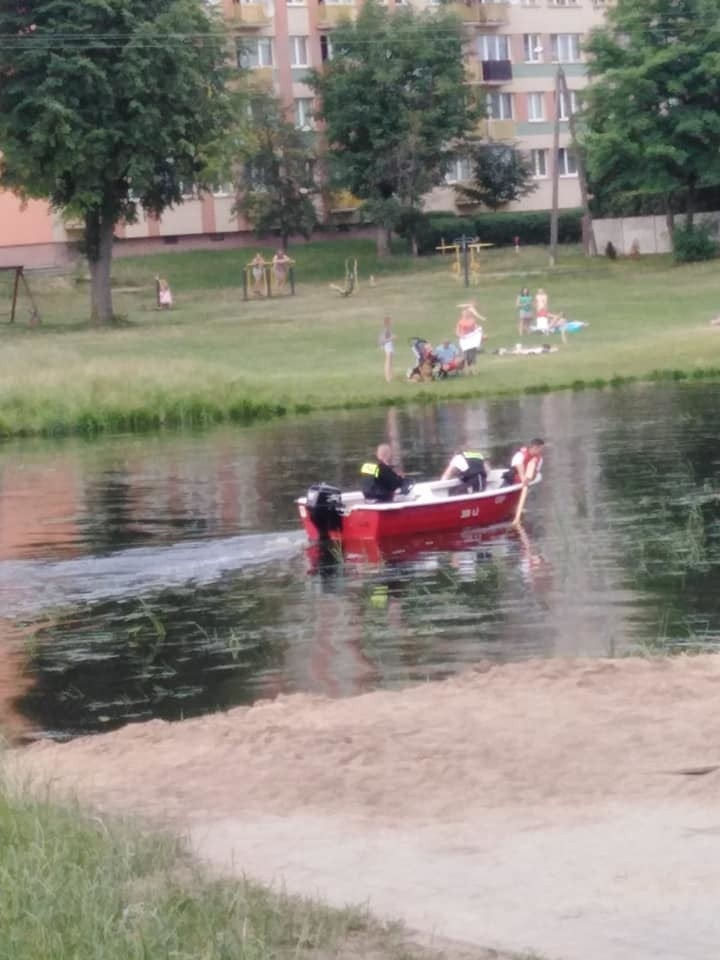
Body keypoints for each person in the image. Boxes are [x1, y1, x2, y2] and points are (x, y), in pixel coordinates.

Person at [455, 300, 485, 374]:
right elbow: (457, 331)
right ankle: (466, 370)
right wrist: (460, 335)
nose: (465, 315)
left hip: (471, 339)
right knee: (465, 355)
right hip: (464, 340)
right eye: (464, 314)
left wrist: (481, 334)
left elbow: (476, 328)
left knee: (473, 355)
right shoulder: (460, 322)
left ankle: (473, 369)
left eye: (466, 314)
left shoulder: (472, 320)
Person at [378, 315, 395, 383]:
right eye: (390, 321)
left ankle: (390, 376)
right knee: (388, 362)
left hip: (389, 346)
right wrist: (392, 338)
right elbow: (383, 340)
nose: (391, 322)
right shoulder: (386, 330)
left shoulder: (388, 329)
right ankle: (388, 378)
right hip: (388, 347)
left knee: (390, 362)